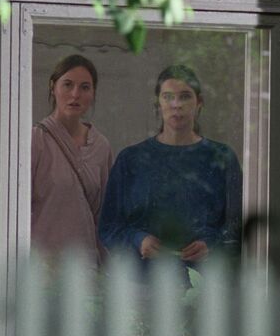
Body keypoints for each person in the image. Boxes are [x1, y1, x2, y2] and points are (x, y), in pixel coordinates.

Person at [98, 64, 242, 266]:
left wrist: (211, 244)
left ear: (199, 102)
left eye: (185, 96)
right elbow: (109, 227)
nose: (176, 104)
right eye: (167, 97)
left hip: (204, 283)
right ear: (158, 104)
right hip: (142, 284)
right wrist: (139, 240)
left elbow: (238, 228)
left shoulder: (222, 158)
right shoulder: (131, 159)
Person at [31, 55, 113, 266]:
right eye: (67, 85)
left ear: (93, 93)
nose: (75, 94)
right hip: (43, 265)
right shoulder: (35, 140)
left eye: (85, 87)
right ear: (53, 87)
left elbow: (104, 215)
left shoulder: (100, 146)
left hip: (85, 266)